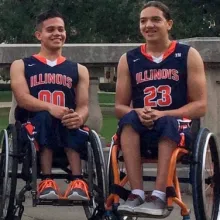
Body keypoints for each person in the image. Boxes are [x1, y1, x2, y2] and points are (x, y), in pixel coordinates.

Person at [115, 1, 207, 216]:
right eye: (143, 21)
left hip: (178, 126)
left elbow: (200, 106)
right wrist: (137, 112)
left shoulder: (187, 54)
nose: (148, 25)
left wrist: (163, 113)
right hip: (141, 127)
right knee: (127, 121)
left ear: (169, 24)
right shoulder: (128, 59)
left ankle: (159, 194)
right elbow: (119, 106)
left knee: (167, 122)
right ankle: (136, 192)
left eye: (155, 19)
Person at [10, 10, 90, 201]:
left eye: (61, 29)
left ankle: (78, 181)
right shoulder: (21, 65)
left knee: (71, 119)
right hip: (33, 128)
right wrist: (49, 107)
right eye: (50, 29)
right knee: (47, 117)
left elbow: (84, 106)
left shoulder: (79, 69)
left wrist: (78, 116)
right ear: (39, 35)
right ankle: (46, 179)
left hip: (66, 125)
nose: (57, 33)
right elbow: (22, 98)